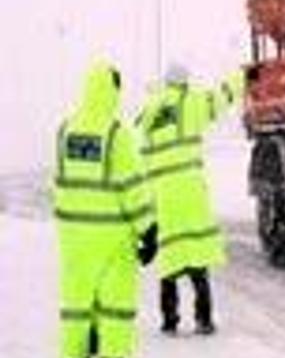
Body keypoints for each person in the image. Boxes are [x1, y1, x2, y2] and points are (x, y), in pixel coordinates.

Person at [53, 59, 157, 358]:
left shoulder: (64, 131)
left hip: (75, 244)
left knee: (76, 313)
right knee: (115, 316)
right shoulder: (116, 135)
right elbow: (132, 188)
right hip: (113, 244)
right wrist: (148, 229)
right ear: (113, 91)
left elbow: (61, 187)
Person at [136, 64, 245, 335]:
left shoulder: (149, 115)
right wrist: (243, 76)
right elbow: (221, 97)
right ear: (184, 83)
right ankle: (204, 319)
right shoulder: (190, 103)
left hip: (163, 194)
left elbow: (142, 161)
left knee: (170, 257)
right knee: (197, 255)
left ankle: (170, 320)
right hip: (190, 192)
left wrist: (146, 212)